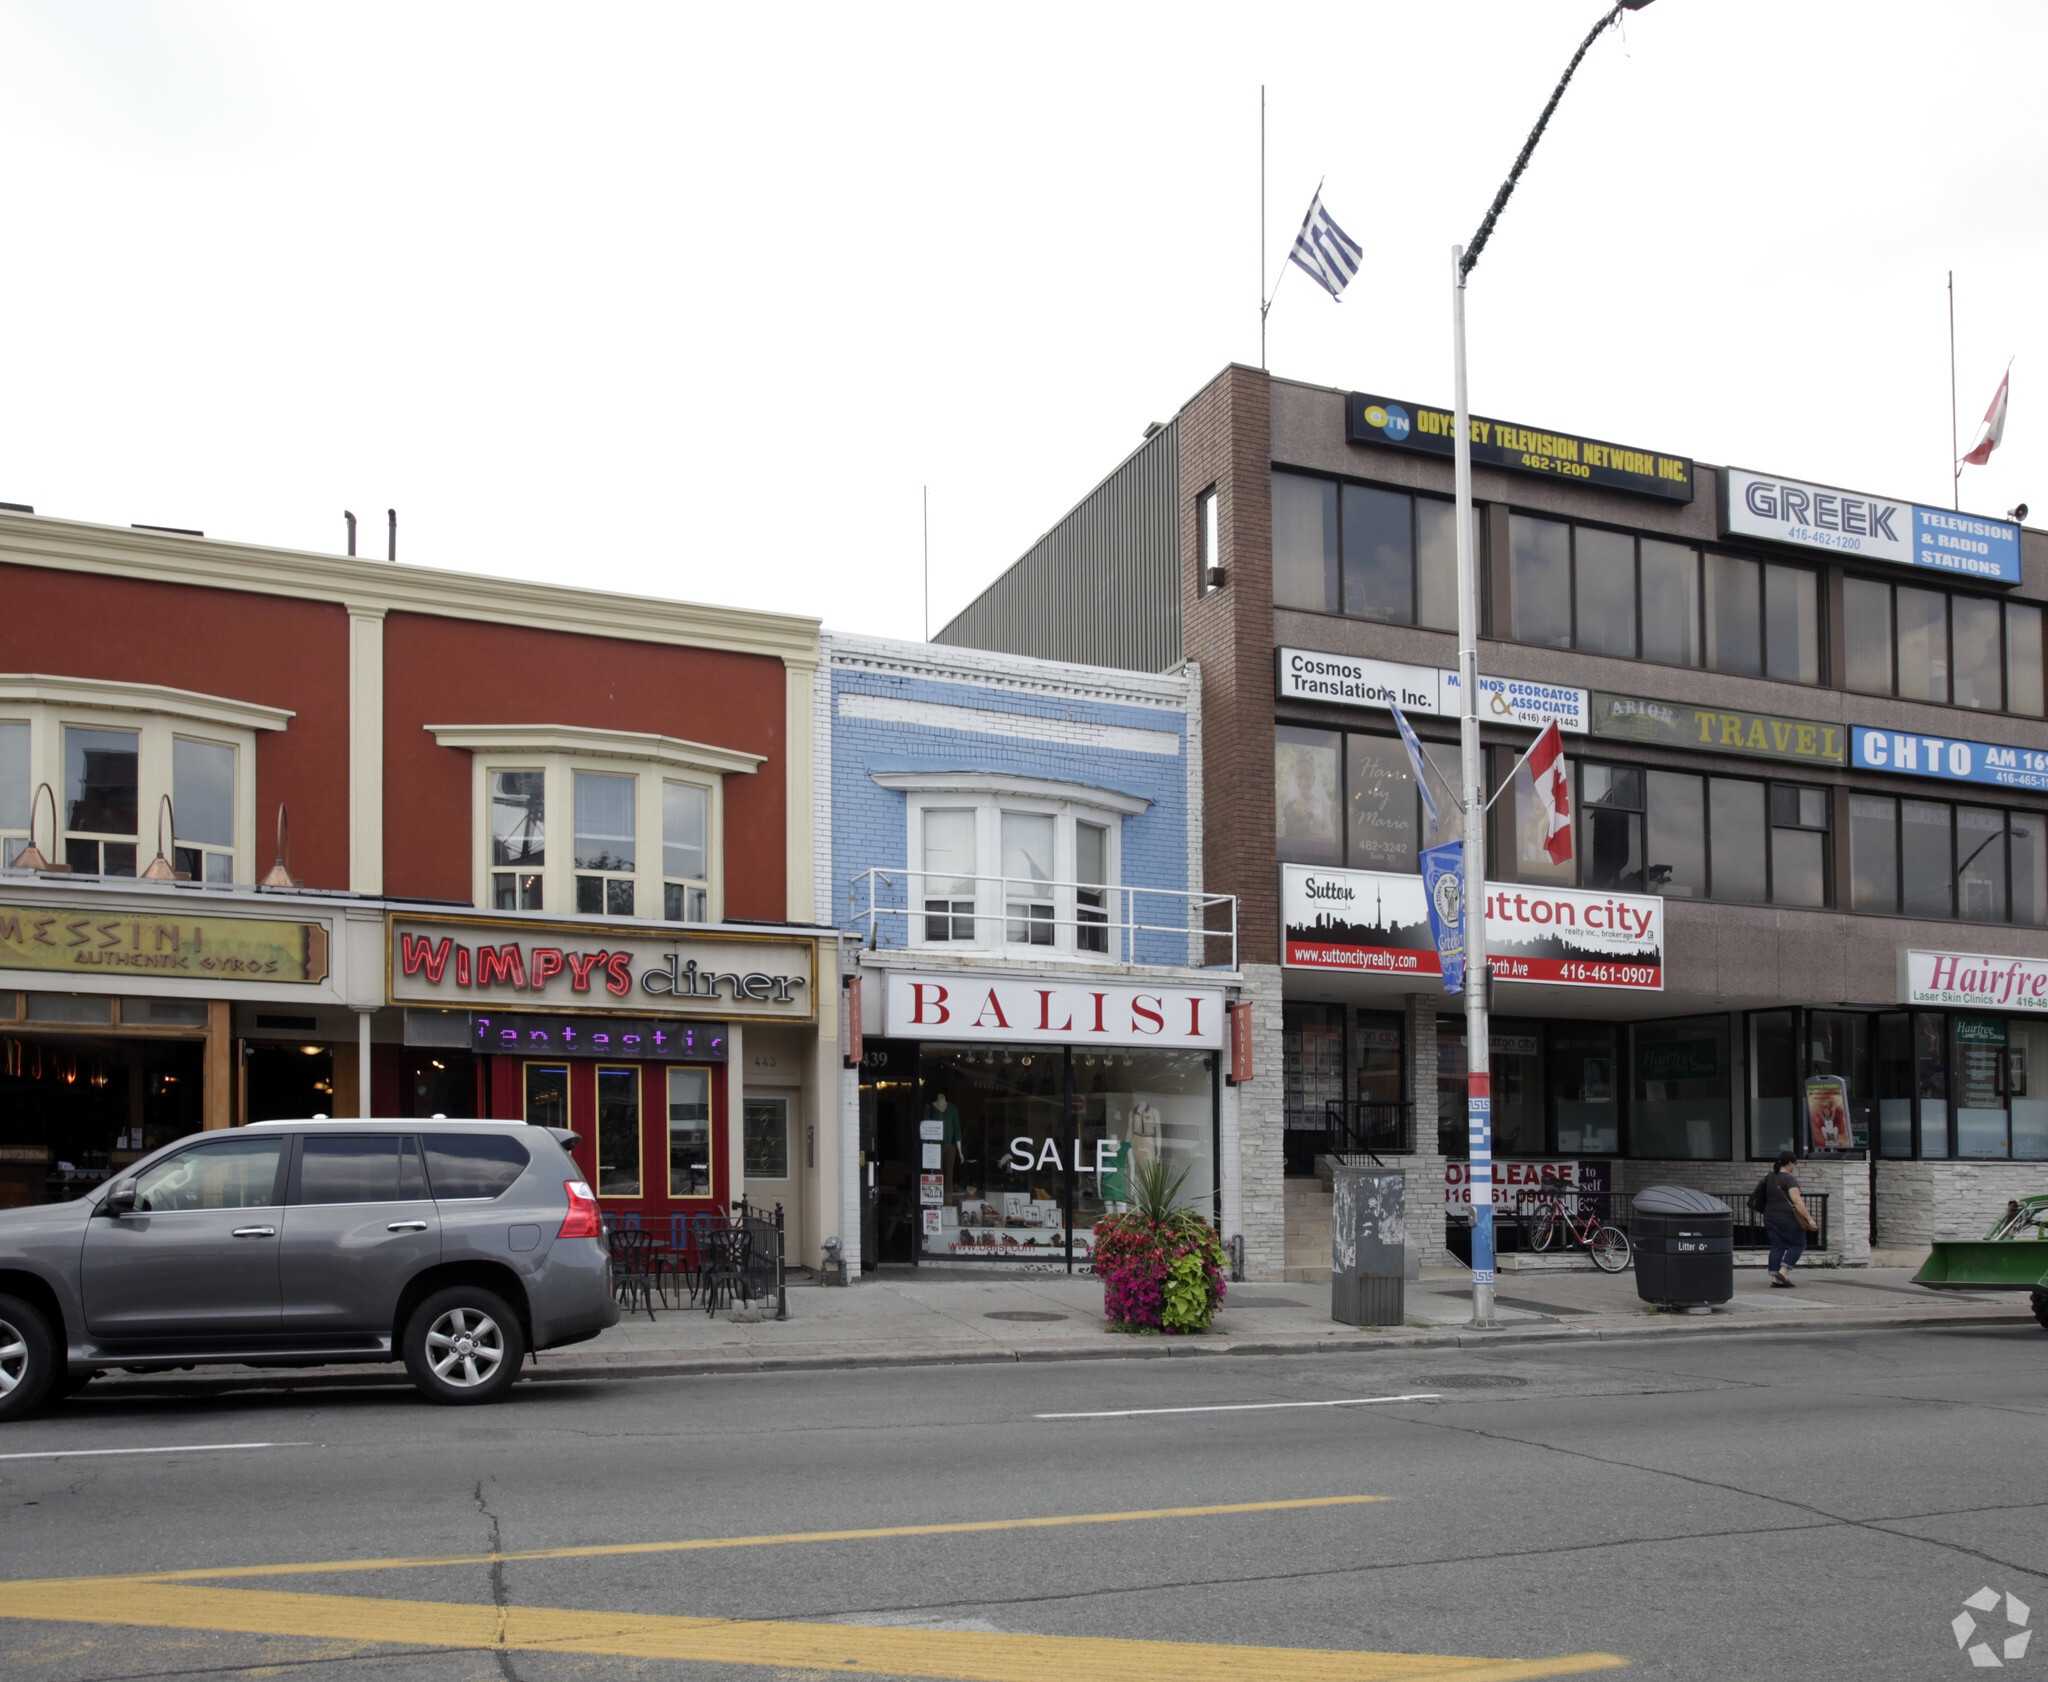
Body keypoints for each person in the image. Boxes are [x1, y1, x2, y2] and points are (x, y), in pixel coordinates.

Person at [1762, 1150, 1818, 1286]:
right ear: (1789, 1163)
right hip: (1787, 1218)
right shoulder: (1790, 1180)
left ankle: (1775, 1278)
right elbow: (1797, 1201)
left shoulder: (1770, 1176)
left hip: (1770, 1216)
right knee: (1799, 1244)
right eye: (1795, 1164)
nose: (1795, 1167)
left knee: (1777, 1246)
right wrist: (1810, 1220)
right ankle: (1784, 1271)